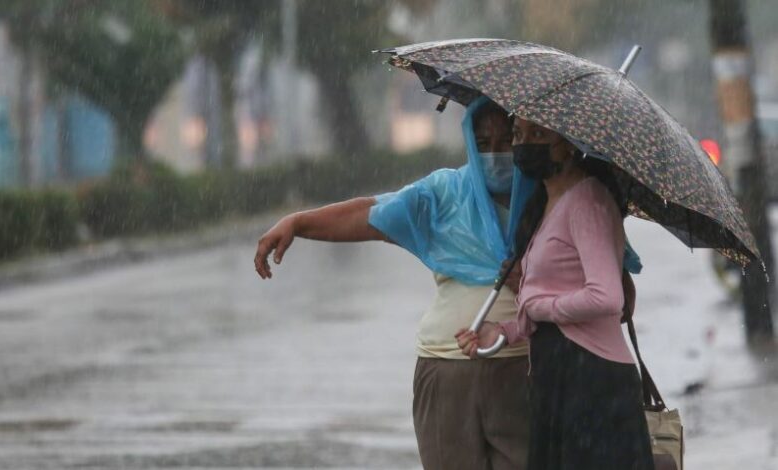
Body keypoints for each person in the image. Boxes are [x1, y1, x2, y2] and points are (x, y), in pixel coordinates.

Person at [255, 97, 640, 470]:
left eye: (509, 140)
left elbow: (616, 299)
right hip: (445, 370)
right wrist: (299, 223)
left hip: (526, 372)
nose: (498, 153)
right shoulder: (443, 194)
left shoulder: (560, 195)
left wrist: (534, 294)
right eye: (484, 144)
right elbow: (370, 214)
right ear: (470, 143)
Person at [456, 117, 653, 469]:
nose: (523, 144)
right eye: (519, 134)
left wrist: (541, 308)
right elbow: (547, 296)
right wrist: (503, 331)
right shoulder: (545, 205)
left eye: (538, 134)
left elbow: (607, 297)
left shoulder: (587, 201)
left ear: (570, 143)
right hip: (558, 378)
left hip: (592, 379)